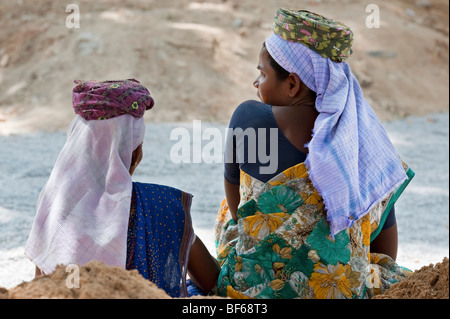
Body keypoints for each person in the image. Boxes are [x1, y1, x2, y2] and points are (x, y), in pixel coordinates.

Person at [215, 9, 415, 299]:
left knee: (231, 211)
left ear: (293, 84)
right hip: (341, 288)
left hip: (255, 284)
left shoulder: (250, 118)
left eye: (262, 73)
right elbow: (384, 242)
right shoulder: (362, 136)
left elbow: (237, 213)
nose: (256, 84)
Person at [25, 79, 219, 297]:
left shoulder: (55, 204)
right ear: (134, 153)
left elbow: (42, 287)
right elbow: (211, 280)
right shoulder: (163, 204)